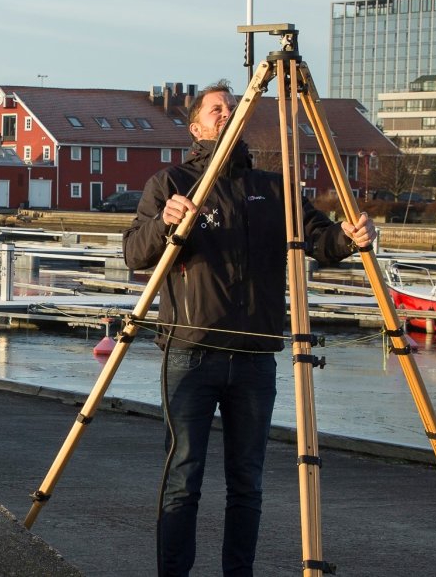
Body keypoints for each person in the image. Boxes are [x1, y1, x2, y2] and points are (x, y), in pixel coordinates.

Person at [123, 81, 376, 577]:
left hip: (256, 357)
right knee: (183, 478)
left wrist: (348, 239)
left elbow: (320, 238)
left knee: (248, 483)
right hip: (190, 351)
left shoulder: (272, 187)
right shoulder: (172, 183)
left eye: (233, 108)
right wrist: (165, 224)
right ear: (195, 126)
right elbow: (135, 252)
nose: (226, 113)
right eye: (215, 109)